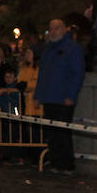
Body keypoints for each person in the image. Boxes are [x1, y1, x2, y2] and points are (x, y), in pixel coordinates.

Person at [33, 18, 85, 175]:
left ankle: (67, 164)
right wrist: (38, 95)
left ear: (63, 30)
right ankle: (56, 162)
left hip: (63, 98)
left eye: (56, 28)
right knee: (52, 133)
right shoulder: (48, 49)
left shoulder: (72, 49)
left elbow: (78, 74)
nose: (53, 31)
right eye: (51, 28)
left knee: (63, 132)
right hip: (49, 97)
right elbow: (42, 74)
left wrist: (71, 95)